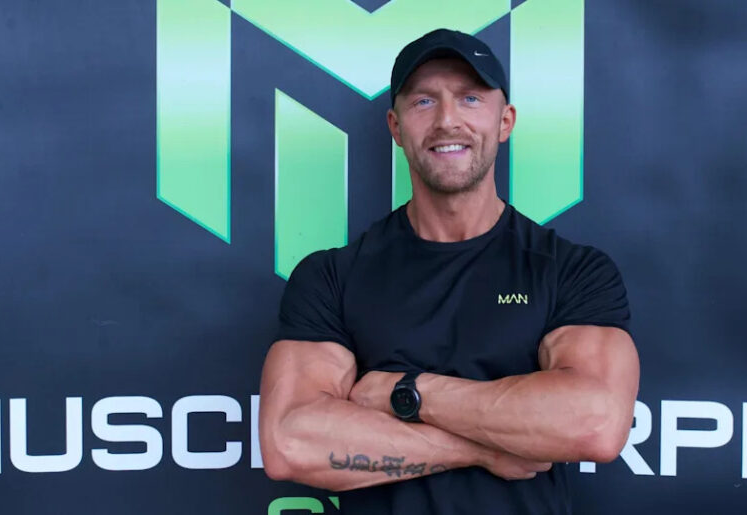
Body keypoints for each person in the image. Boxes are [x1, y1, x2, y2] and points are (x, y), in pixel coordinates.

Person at [259, 28, 639, 514]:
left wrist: (405, 392)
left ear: (505, 121)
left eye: (470, 99)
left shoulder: (570, 270)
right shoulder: (332, 276)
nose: (447, 120)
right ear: (395, 128)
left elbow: (595, 423)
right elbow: (292, 443)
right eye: (423, 101)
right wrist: (486, 448)